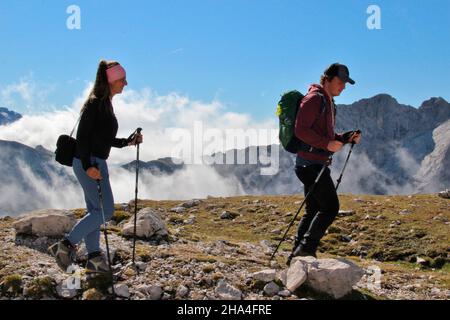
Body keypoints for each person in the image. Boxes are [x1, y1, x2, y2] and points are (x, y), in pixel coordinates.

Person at [49, 60, 143, 273]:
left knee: (94, 211)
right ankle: (65, 246)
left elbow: (102, 138)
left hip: (94, 161)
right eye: (122, 79)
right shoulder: (95, 103)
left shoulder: (105, 103)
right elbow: (82, 138)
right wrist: (88, 165)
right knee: (106, 210)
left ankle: (94, 259)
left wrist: (128, 142)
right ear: (111, 80)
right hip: (90, 163)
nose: (126, 83)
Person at [287, 63, 361, 264]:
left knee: (313, 209)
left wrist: (344, 138)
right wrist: (327, 143)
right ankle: (306, 250)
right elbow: (300, 130)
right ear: (327, 79)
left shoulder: (328, 102)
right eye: (340, 82)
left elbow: (324, 135)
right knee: (330, 207)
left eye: (345, 83)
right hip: (309, 165)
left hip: (313, 163)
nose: (343, 87)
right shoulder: (314, 99)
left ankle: (296, 255)